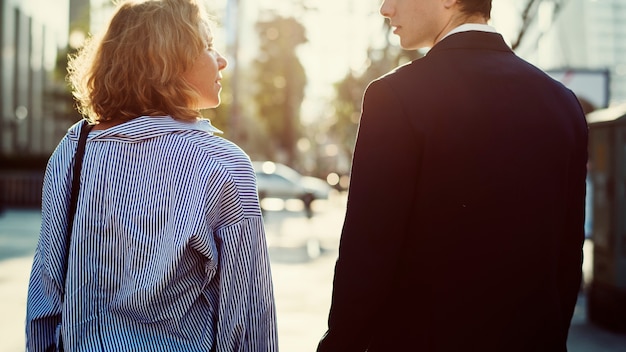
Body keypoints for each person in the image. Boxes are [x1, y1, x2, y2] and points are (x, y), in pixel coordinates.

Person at [317, 0, 588, 351]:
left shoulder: (395, 96)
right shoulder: (564, 104)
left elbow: (366, 256)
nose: (385, 8)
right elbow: (567, 262)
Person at [25, 0, 278, 351]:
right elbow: (248, 314)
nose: (222, 60)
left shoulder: (74, 150)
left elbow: (47, 291)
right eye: (206, 46)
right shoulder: (221, 164)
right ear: (167, 61)